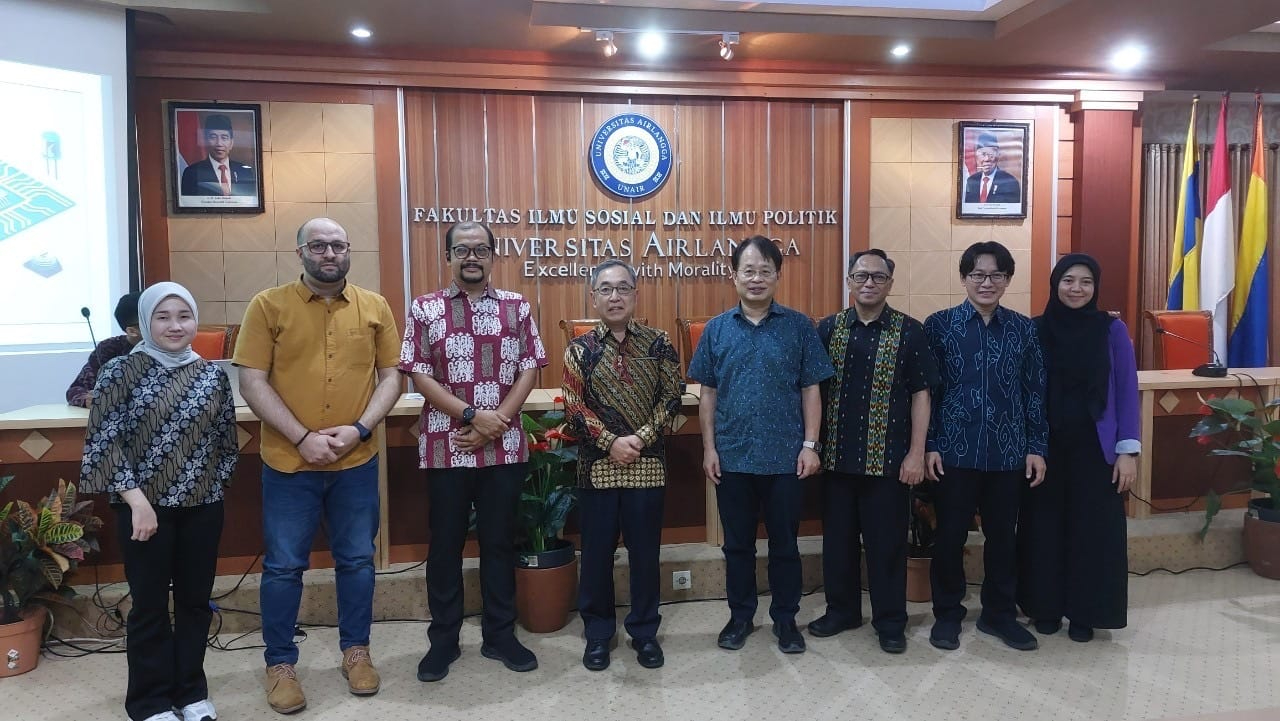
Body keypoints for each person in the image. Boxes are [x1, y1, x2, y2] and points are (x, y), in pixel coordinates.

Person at [233, 218, 401, 714]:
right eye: (319, 245)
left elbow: (391, 377)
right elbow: (252, 382)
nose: (330, 253)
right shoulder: (268, 306)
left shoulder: (374, 307)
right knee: (284, 567)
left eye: (338, 245)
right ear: (301, 251)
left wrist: (359, 430)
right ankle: (280, 664)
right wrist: (302, 438)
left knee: (356, 561)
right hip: (289, 463)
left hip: (356, 460)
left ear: (349, 251)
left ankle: (356, 652)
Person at [80, 282, 236, 721]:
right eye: (162, 317)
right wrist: (136, 501)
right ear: (146, 322)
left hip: (203, 507)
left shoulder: (211, 374)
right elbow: (103, 444)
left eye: (183, 316)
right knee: (149, 606)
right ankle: (149, 701)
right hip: (142, 510)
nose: (174, 325)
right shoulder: (120, 372)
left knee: (194, 602)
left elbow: (225, 440)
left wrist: (213, 487)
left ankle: (190, 693)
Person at [400, 220, 547, 682]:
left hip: (502, 444)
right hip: (448, 443)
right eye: (462, 249)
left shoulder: (517, 306)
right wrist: (471, 417)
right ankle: (443, 640)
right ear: (448, 256)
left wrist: (496, 420)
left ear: (492, 256)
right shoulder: (425, 308)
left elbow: (529, 367)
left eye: (480, 249)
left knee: (500, 542)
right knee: (444, 544)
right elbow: (419, 374)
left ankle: (500, 635)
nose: (471, 257)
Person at [688, 235, 834, 655]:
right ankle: (740, 616)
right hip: (732, 457)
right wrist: (709, 449)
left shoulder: (799, 327)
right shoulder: (716, 329)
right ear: (734, 275)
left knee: (786, 545)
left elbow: (811, 389)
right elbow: (708, 394)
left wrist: (810, 444)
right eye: (748, 270)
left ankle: (786, 620)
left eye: (765, 271)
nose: (756, 279)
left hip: (786, 458)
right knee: (737, 545)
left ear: (777, 276)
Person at [810, 249, 937, 654]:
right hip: (836, 459)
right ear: (848, 281)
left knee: (887, 545)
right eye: (861, 276)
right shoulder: (828, 330)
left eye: (878, 277)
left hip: (889, 462)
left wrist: (917, 453)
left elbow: (921, 394)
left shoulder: (910, 332)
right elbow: (811, 392)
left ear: (890, 284)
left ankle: (890, 622)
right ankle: (842, 611)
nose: (869, 283)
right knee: (838, 544)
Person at [923, 240, 1047, 652]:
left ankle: (998, 615)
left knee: (1002, 538)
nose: (986, 282)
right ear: (963, 278)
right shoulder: (939, 326)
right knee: (950, 537)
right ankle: (947, 615)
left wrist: (1036, 446)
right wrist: (930, 444)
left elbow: (1034, 392)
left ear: (1008, 279)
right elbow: (928, 394)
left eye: (996, 275)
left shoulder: (1024, 329)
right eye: (977, 274)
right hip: (954, 452)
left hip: (1009, 453)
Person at [561, 259, 684, 671]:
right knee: (595, 554)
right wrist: (611, 442)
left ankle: (644, 632)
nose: (615, 297)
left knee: (645, 553)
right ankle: (598, 634)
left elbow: (672, 399)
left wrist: (641, 439)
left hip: (647, 466)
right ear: (593, 297)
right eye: (606, 289)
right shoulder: (579, 349)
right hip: (597, 467)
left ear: (635, 294)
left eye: (623, 288)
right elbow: (573, 408)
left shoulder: (659, 343)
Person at [1018, 253, 1137, 643]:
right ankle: (1045, 608)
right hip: (1045, 447)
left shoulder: (1112, 331)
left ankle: (1085, 613)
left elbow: (1127, 392)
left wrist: (1127, 451)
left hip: (1095, 447)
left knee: (1092, 531)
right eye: (1069, 280)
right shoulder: (1035, 330)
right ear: (1056, 285)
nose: (1077, 289)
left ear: (1096, 288)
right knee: (1044, 528)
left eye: (1086, 282)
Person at [66, 292, 142, 407]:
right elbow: (75, 390)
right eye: (159, 319)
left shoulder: (172, 347)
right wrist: (88, 399)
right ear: (132, 331)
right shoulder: (110, 349)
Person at [179, 114, 256, 197]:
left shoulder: (245, 172)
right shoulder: (192, 172)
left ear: (231, 143)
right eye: (213, 137)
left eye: (224, 137)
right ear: (206, 141)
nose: (219, 143)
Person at [963, 133, 1021, 204]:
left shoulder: (1010, 182)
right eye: (983, 154)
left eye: (991, 154)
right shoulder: (971, 181)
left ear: (998, 156)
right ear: (977, 157)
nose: (987, 159)